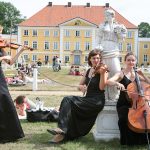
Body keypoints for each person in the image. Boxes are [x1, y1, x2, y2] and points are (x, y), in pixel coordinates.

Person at [47, 49, 108, 143]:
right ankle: (62, 132)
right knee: (67, 101)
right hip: (88, 98)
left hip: (97, 100)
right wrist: (82, 87)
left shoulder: (103, 70)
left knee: (68, 100)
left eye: (98, 58)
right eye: (94, 58)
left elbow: (102, 87)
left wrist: (103, 74)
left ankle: (61, 129)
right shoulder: (88, 71)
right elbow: (79, 86)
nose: (96, 60)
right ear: (90, 59)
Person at [106, 52, 150, 145]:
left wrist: (143, 75)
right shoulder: (121, 73)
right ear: (125, 61)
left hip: (139, 104)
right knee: (123, 120)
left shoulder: (138, 74)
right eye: (129, 60)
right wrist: (118, 83)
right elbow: (109, 81)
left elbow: (149, 84)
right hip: (124, 103)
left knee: (145, 119)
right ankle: (126, 142)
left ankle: (144, 141)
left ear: (135, 61)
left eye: (133, 60)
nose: (131, 62)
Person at [96, 8, 127, 101]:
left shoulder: (119, 26)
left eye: (107, 15)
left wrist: (119, 32)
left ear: (113, 16)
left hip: (113, 50)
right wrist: (97, 46)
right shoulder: (102, 25)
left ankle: (114, 96)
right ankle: (104, 95)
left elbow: (122, 38)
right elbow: (98, 37)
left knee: (116, 72)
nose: (106, 17)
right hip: (104, 50)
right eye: (105, 15)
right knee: (104, 73)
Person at [0, 44, 28, 142]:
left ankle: (10, 134)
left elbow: (10, 62)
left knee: (6, 100)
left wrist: (20, 51)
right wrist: (3, 57)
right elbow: (4, 58)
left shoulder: (1, 48)